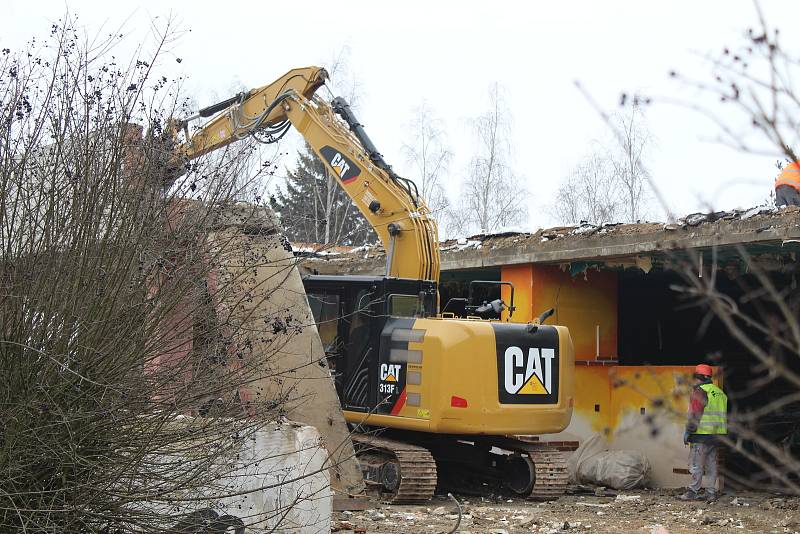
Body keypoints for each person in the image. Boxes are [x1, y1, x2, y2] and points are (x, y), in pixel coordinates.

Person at [678, 364, 728, 502]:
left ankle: (692, 491)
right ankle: (710, 492)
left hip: (701, 435)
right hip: (717, 435)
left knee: (696, 464)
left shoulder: (700, 391)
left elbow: (695, 414)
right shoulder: (719, 393)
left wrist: (688, 431)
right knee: (711, 465)